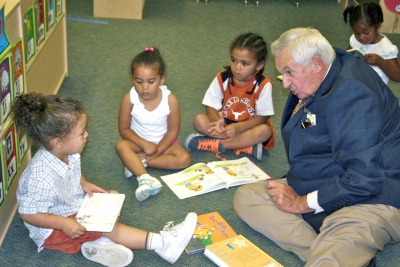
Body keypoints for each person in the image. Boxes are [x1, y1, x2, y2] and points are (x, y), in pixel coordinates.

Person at [234, 27, 400, 267]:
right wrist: (303, 198)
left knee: (329, 257)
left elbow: (364, 178)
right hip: (331, 180)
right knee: (248, 197)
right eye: (283, 74)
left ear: (316, 63)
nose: (285, 83)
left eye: (289, 73)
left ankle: (335, 250)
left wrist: (302, 203)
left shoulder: (353, 93)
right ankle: (336, 250)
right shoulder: (325, 70)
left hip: (374, 195)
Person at [12, 92, 197, 267]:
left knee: (112, 197)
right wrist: (63, 223)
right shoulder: (40, 176)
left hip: (72, 205)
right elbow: (28, 214)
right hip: (53, 231)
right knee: (108, 226)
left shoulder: (68, 152)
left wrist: (84, 184)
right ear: (58, 141)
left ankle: (98, 243)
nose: (87, 135)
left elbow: (73, 173)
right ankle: (162, 243)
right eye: (81, 133)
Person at [115, 47, 191, 201]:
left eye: (151, 81)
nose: (144, 87)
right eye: (138, 81)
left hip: (164, 143)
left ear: (161, 79)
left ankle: (138, 162)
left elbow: (172, 132)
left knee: (184, 159)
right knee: (121, 146)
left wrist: (157, 150)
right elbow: (124, 129)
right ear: (132, 79)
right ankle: (144, 177)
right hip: (137, 142)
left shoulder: (171, 100)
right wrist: (144, 144)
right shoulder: (129, 99)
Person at [185, 32, 275, 161]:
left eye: (245, 63)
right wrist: (218, 123)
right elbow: (210, 106)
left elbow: (262, 117)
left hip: (248, 127)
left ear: (259, 65)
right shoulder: (222, 77)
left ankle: (218, 145)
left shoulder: (263, 84)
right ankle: (245, 146)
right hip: (225, 125)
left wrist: (239, 128)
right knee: (199, 120)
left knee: (264, 131)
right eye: (234, 60)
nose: (237, 67)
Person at [343, 2, 400, 84]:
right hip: (357, 82)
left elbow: (397, 77)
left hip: (375, 90)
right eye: (356, 32)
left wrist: (381, 62)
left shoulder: (386, 47)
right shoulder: (355, 40)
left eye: (366, 33)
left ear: (378, 26)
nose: (361, 37)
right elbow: (347, 56)